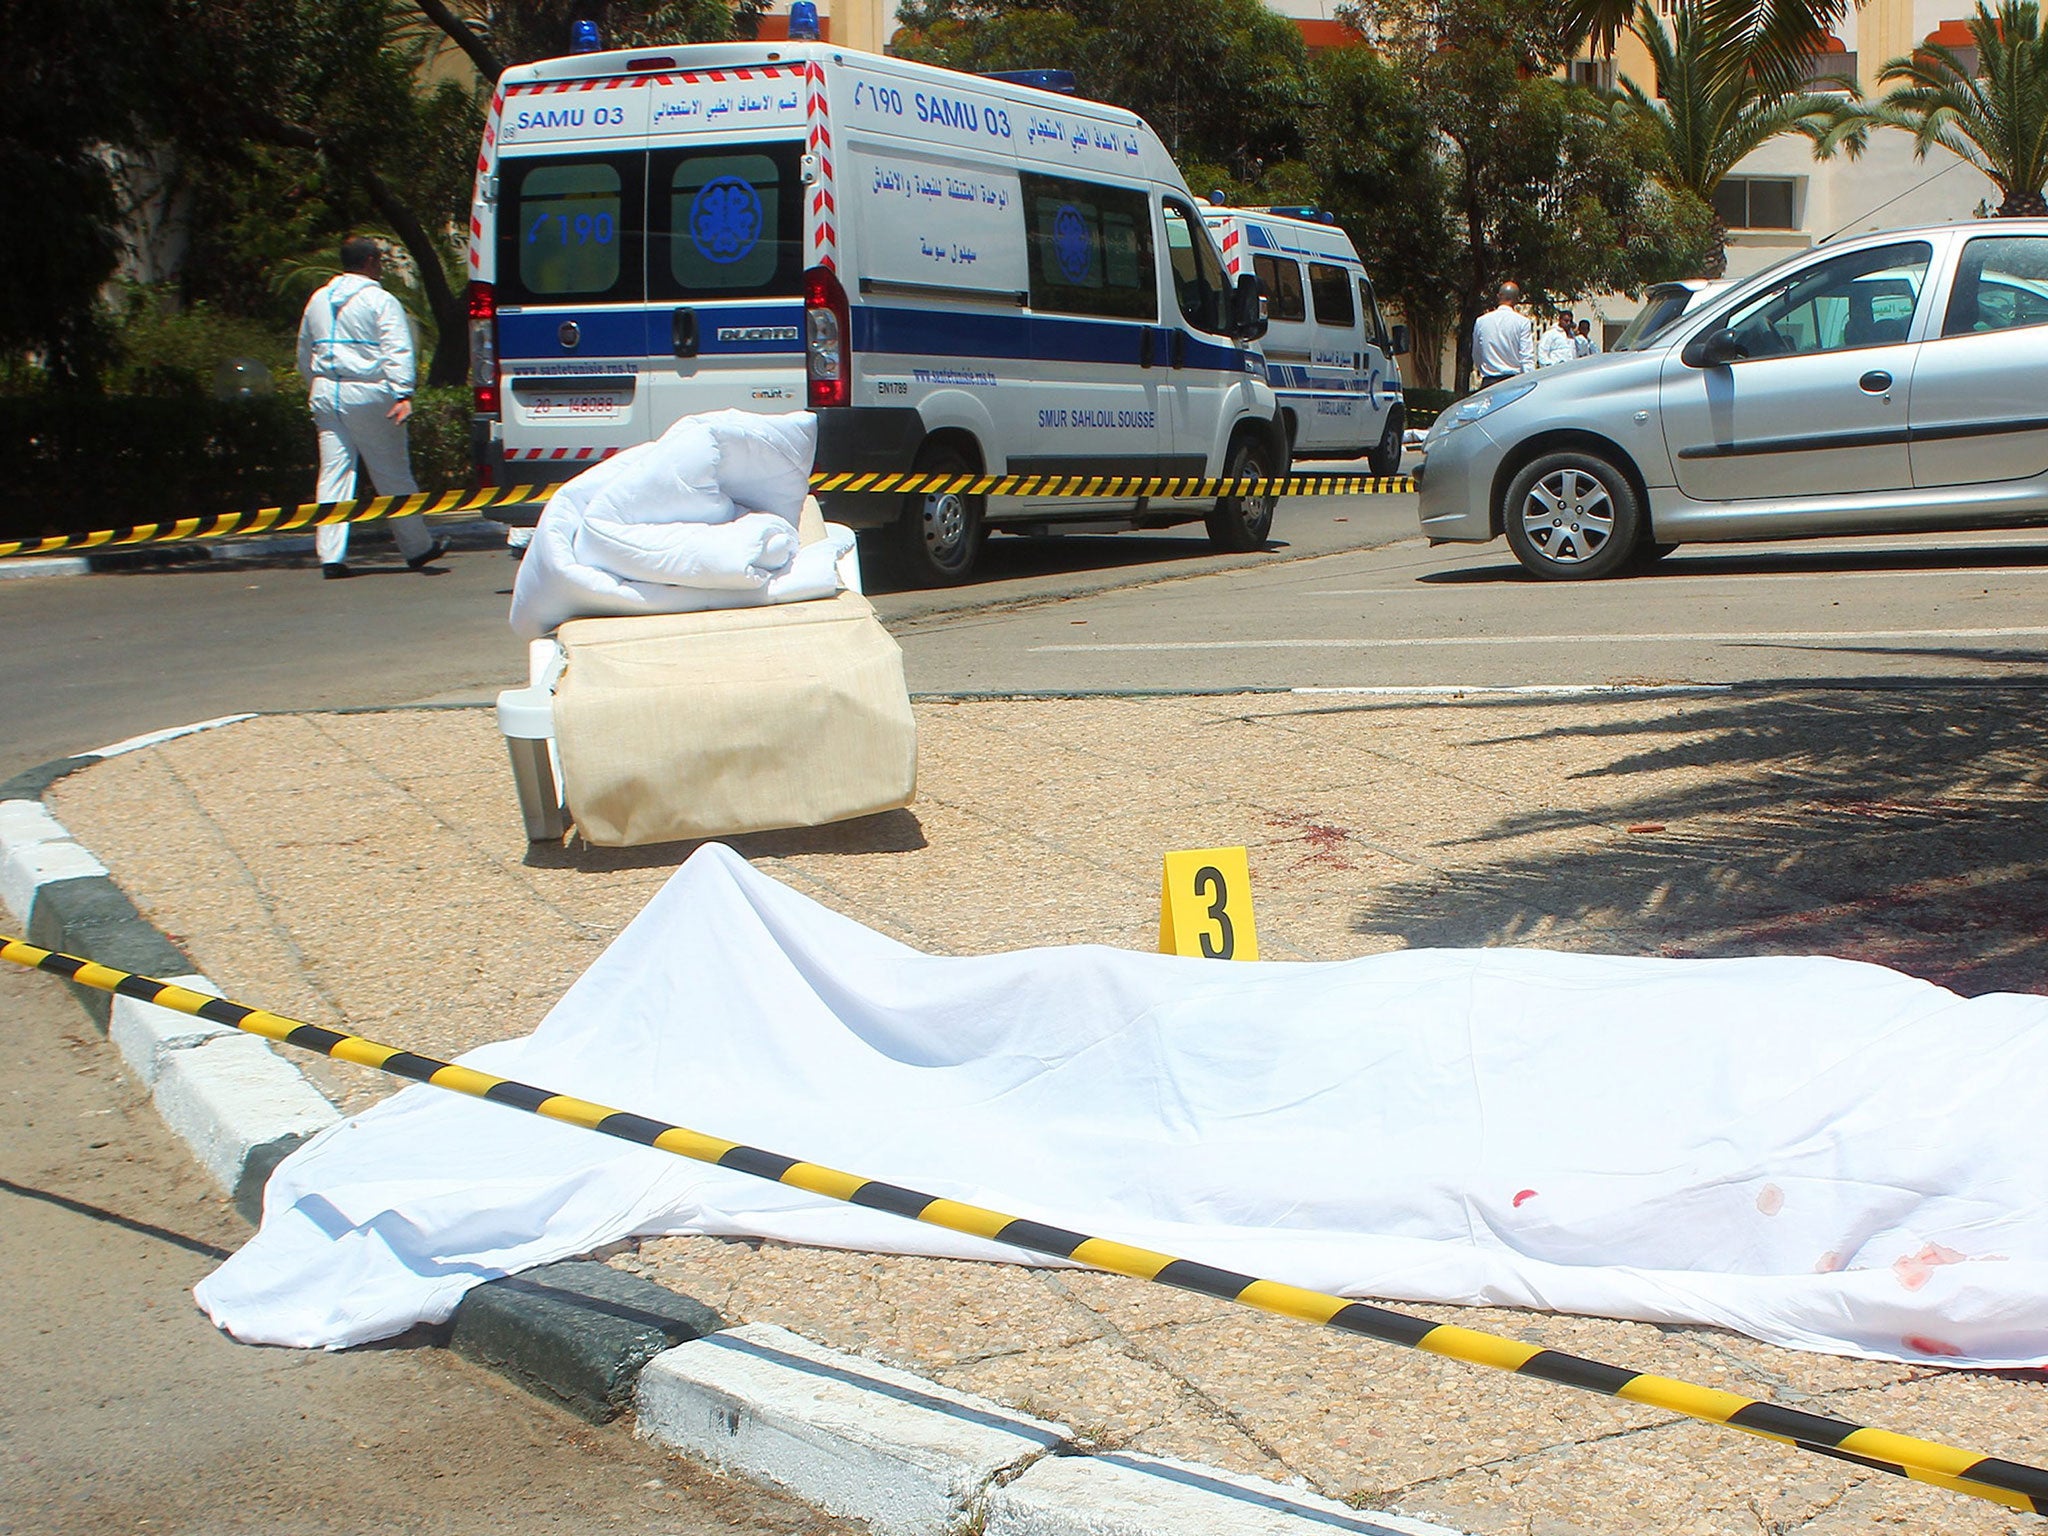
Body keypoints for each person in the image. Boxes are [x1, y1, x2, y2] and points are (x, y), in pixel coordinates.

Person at [296, 236, 445, 580]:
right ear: (369, 262)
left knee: (333, 475)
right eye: (378, 260)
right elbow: (397, 348)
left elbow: (304, 350)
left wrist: (314, 384)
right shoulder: (380, 299)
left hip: (326, 391)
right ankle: (417, 547)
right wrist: (402, 393)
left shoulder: (318, 299)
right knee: (391, 471)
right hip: (367, 392)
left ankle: (330, 556)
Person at [1471, 282, 1535, 388]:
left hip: (1489, 381)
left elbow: (1476, 353)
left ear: (1498, 296)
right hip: (1512, 382)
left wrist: (1484, 369)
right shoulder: (1522, 322)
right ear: (1516, 300)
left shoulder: (1481, 321)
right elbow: (1526, 357)